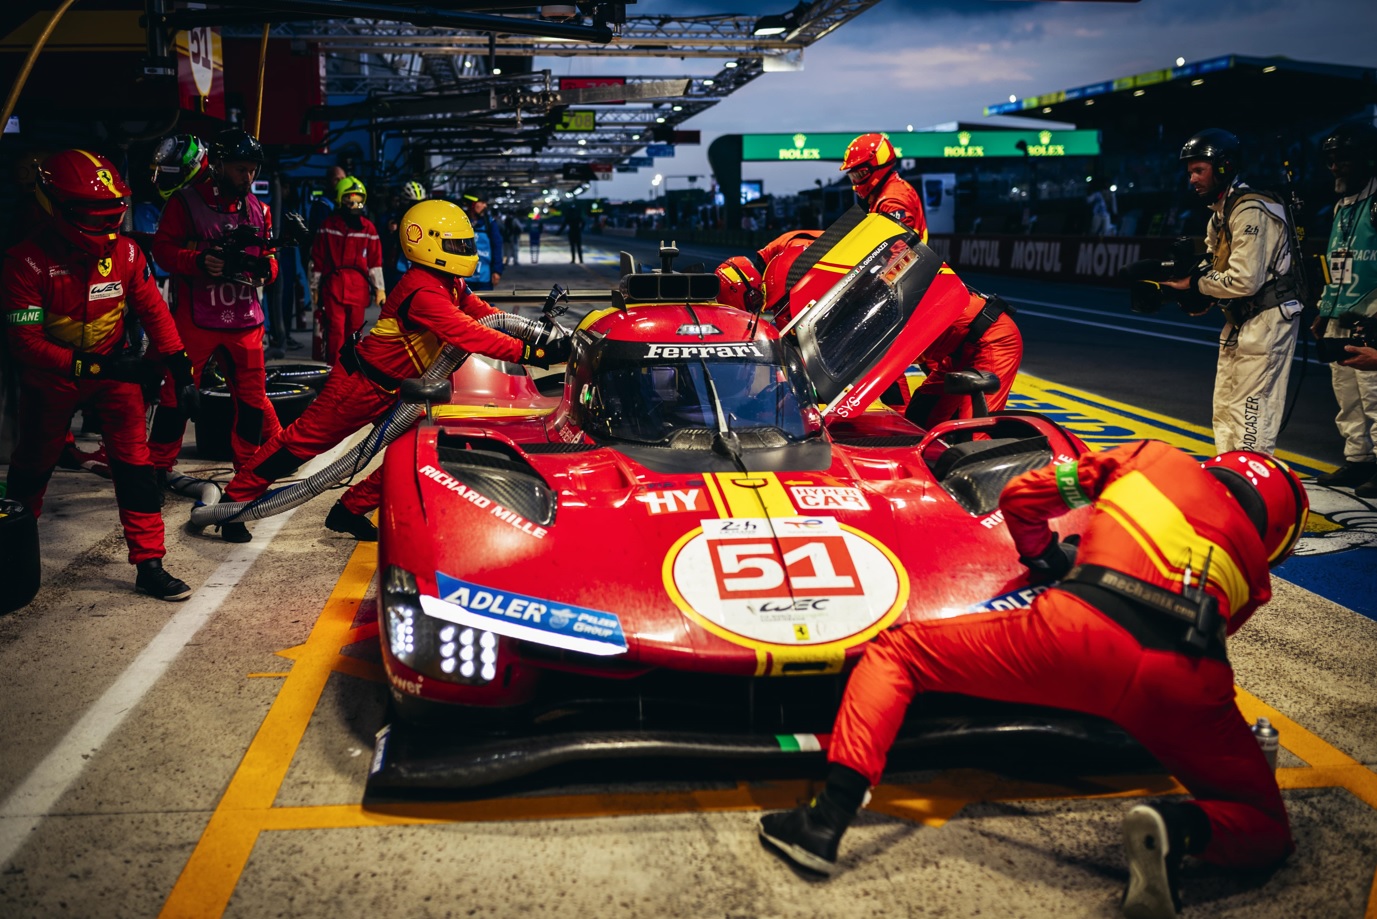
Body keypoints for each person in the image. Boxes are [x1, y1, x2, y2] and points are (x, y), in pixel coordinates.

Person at [759, 441, 1308, 919]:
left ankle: (825, 822)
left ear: (1215, 468)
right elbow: (1191, 637)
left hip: (1080, 630)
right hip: (1187, 680)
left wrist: (1044, 554)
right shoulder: (1257, 580)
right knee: (1266, 825)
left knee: (897, 656)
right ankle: (1181, 827)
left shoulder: (1150, 459)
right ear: (1273, 534)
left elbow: (1020, 498)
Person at [213, 199, 568, 543]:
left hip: (399, 392)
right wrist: (533, 352)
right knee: (299, 445)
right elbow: (470, 334)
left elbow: (484, 313)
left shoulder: (449, 282)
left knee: (418, 453)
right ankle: (232, 504)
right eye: (455, 244)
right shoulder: (422, 290)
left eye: (465, 243)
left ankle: (350, 510)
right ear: (424, 243)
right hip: (359, 387)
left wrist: (539, 335)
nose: (464, 249)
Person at [3, 150, 202, 600]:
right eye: (91, 215)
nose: (105, 225)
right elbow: (25, 344)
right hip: (53, 379)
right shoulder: (25, 262)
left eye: (112, 214)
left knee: (136, 468)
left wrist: (180, 368)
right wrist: (99, 366)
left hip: (114, 370)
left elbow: (155, 312)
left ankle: (150, 564)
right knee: (33, 466)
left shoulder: (128, 251)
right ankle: (13, 554)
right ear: (53, 204)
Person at [147, 128, 281, 492]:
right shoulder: (184, 203)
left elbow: (270, 258)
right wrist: (199, 260)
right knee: (176, 396)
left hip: (246, 321)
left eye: (253, 170)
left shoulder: (260, 209)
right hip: (197, 319)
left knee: (252, 402)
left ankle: (248, 474)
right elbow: (162, 251)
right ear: (218, 164)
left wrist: (266, 269)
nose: (248, 177)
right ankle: (158, 469)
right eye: (241, 169)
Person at [1162, 129, 1302, 456]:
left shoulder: (1251, 209)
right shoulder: (1220, 214)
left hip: (1268, 318)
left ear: (1223, 167)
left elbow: (1245, 280)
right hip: (1240, 318)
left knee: (1251, 408)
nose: (1192, 179)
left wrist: (1195, 285)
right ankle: (1228, 473)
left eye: (1199, 170)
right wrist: (1201, 295)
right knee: (1224, 405)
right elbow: (1216, 270)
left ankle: (1253, 479)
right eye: (1190, 173)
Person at [1311, 121, 1377, 495]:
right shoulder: (1342, 205)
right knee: (1347, 395)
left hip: (1370, 314)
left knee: (1374, 394)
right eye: (1331, 160)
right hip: (1339, 314)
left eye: (1343, 160)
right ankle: (1358, 460)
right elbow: (1339, 261)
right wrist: (1324, 308)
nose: (1335, 167)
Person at [904, 289, 1023, 428]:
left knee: (976, 426)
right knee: (922, 411)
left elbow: (905, 357)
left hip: (996, 339)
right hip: (959, 345)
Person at [310, 175, 384, 367]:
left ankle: (351, 370)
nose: (354, 203)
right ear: (340, 199)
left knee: (354, 331)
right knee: (335, 330)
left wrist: (380, 288)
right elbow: (317, 260)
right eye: (349, 198)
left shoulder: (368, 228)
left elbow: (375, 262)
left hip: (358, 289)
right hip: (333, 287)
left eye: (358, 199)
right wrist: (314, 288)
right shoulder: (327, 226)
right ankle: (334, 370)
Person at [840, 133, 928, 242]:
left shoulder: (891, 201)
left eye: (859, 174)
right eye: (852, 176)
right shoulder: (888, 190)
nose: (855, 182)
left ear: (877, 168)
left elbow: (897, 249)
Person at [383, 181, 425, 290]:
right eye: (413, 204)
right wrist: (392, 231)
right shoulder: (394, 217)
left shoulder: (426, 219)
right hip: (399, 266)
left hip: (420, 266)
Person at [462, 192, 503, 291]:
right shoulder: (460, 222)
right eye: (482, 202)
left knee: (485, 305)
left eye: (486, 203)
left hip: (484, 277)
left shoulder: (490, 223)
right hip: (463, 277)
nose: (485, 206)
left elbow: (497, 247)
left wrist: (497, 271)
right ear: (472, 204)